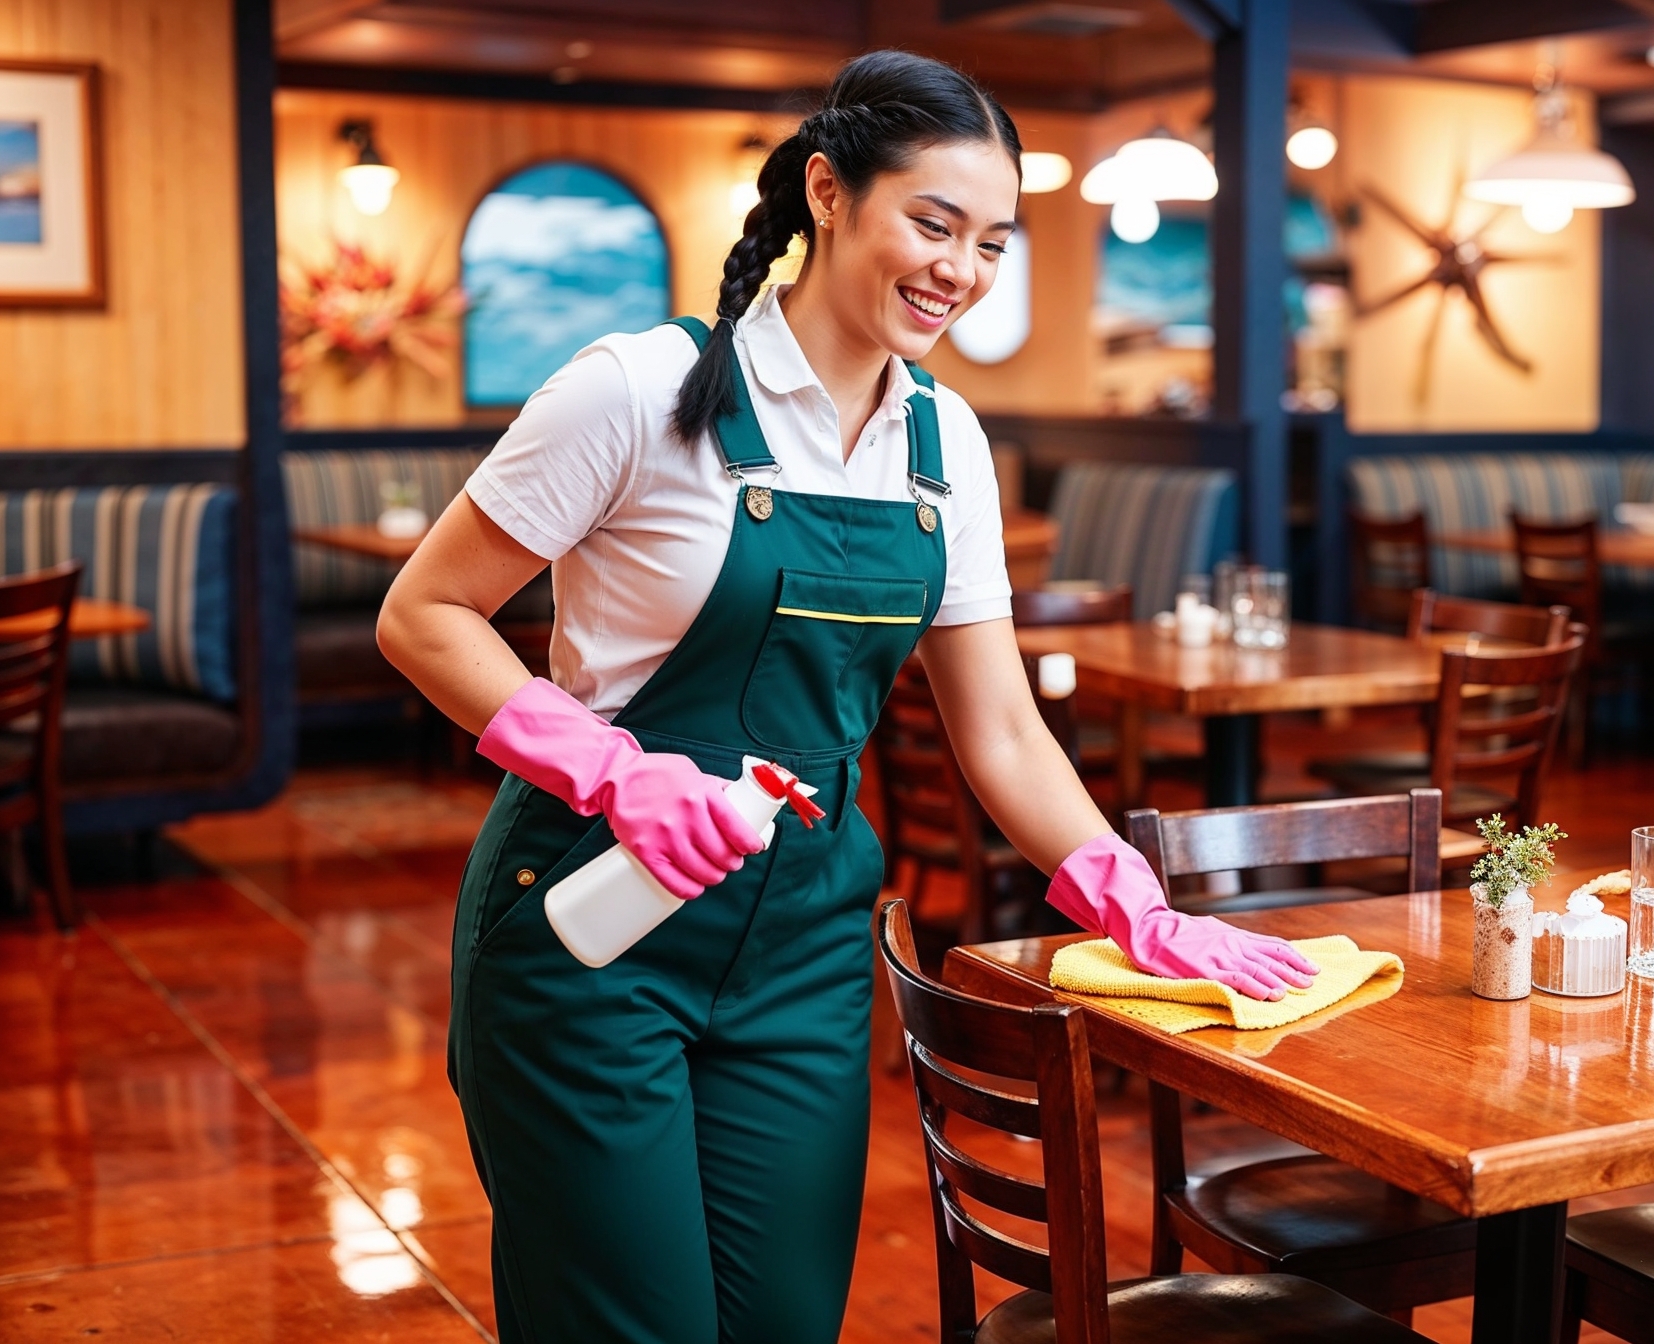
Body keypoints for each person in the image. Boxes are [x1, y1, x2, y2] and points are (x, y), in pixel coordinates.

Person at [377, 50, 1318, 1344]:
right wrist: (610, 772)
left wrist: (1131, 899)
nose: (962, 271)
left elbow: (999, 728)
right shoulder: (640, 389)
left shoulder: (947, 445)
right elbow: (423, 613)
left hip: (801, 956)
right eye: (932, 224)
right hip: (589, 945)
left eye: (992, 241)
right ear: (829, 194)